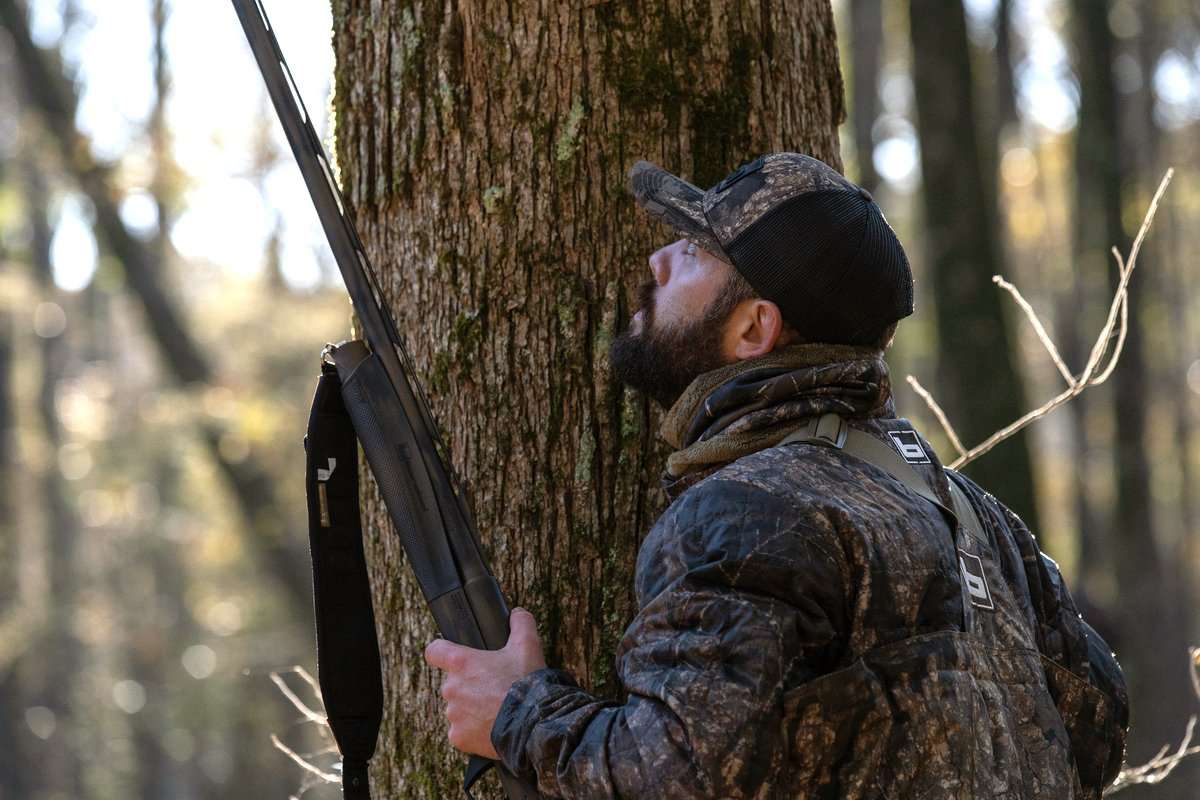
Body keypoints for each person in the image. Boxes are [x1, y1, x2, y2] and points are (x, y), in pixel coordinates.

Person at [424, 153, 1129, 798]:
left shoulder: (748, 509)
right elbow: (1095, 727)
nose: (658, 258)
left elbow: (675, 779)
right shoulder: (974, 512)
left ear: (755, 329)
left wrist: (517, 712)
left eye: (697, 252)